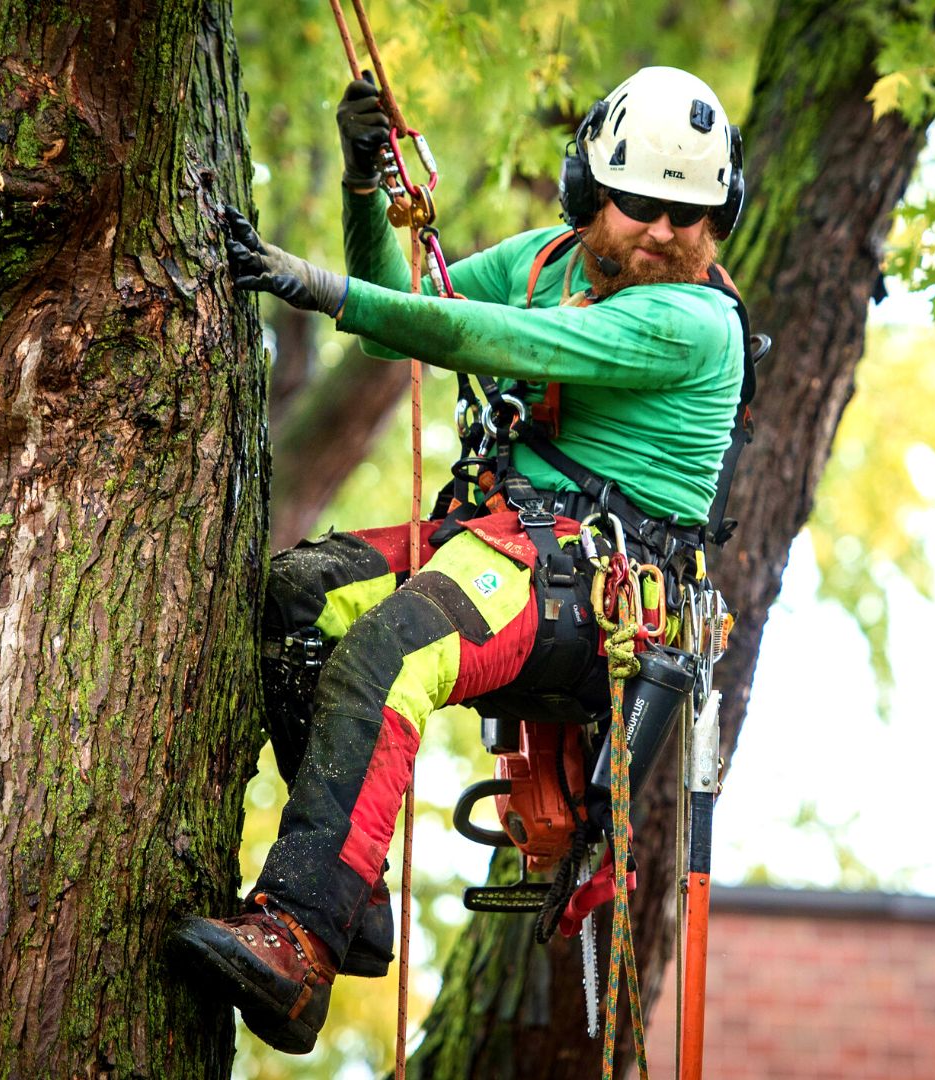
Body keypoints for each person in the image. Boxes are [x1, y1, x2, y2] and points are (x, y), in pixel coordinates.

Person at [171, 65, 748, 1055]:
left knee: (392, 650)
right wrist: (362, 188)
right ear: (591, 193)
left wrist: (319, 288)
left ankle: (299, 933)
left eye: (690, 214)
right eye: (644, 203)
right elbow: (401, 315)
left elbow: (473, 332)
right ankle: (352, 905)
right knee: (305, 596)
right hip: (504, 546)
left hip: (588, 585)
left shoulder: (694, 323)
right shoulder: (547, 262)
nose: (663, 232)